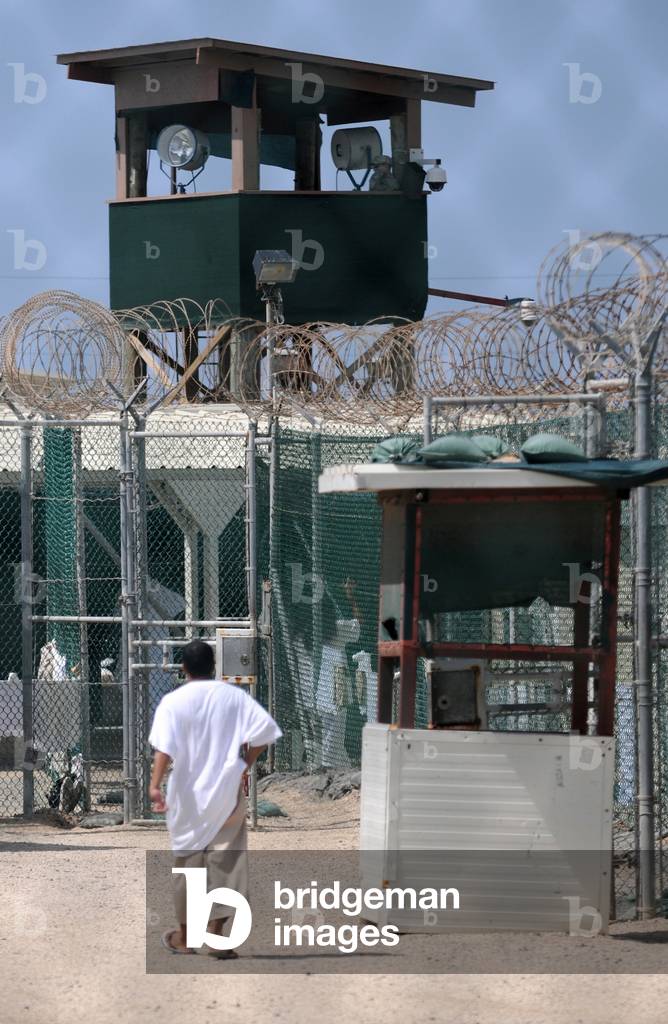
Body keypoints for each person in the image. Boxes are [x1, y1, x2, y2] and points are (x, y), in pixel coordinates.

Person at [148, 638, 282, 957]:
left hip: (186, 793)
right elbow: (264, 732)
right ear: (214, 667)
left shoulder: (173, 702)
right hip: (225, 788)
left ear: (184, 668)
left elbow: (164, 749)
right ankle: (217, 935)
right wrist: (244, 764)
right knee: (227, 858)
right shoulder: (233, 697)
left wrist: (155, 785)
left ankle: (185, 937)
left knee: (189, 862)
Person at [316, 579, 363, 769]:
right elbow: (359, 626)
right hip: (337, 676)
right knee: (337, 723)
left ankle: (333, 762)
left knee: (328, 723)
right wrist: (351, 597)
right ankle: (330, 763)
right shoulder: (338, 627)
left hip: (322, 681)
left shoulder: (315, 630)